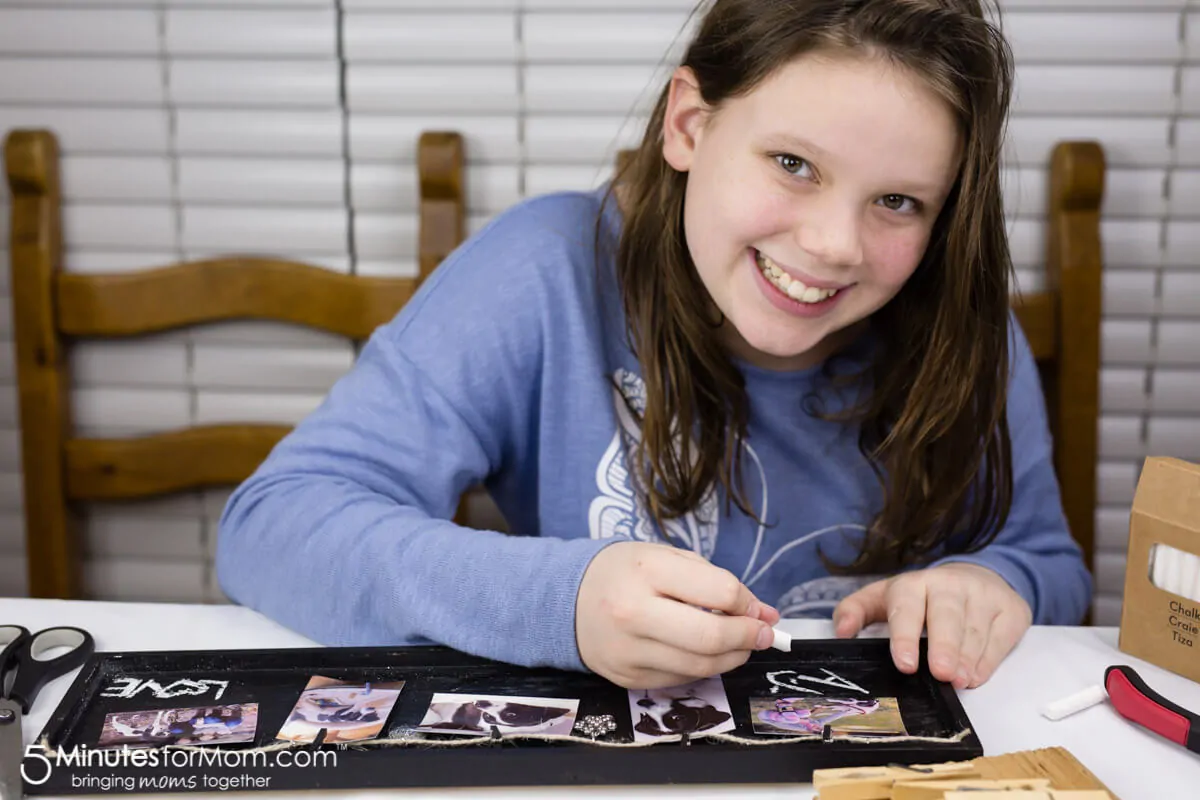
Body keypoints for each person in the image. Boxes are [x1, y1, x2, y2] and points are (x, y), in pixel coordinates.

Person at [216, 0, 1092, 693]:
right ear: (689, 124)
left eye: (899, 202)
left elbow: (1047, 564)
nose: (834, 244)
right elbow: (272, 525)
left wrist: (993, 585)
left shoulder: (966, 330)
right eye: (792, 163)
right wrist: (561, 603)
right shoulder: (543, 270)